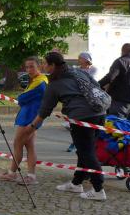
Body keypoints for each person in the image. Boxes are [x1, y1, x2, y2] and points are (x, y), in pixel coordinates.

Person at [25, 51, 108, 201]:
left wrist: (31, 127)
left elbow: (44, 110)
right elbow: (96, 85)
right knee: (84, 151)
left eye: (45, 63)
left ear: (52, 65)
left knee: (87, 153)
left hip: (82, 117)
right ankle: (76, 183)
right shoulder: (77, 72)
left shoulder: (54, 84)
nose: (43, 65)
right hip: (99, 113)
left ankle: (98, 190)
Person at [0, 56, 48, 185]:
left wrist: (21, 98)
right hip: (30, 117)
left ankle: (13, 173)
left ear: (39, 66)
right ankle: (30, 175)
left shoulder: (40, 82)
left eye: (32, 67)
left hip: (29, 118)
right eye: (27, 67)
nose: (29, 70)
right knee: (29, 146)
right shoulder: (37, 80)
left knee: (18, 144)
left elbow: (22, 98)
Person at [98, 43, 130, 123]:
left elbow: (110, 78)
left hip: (120, 104)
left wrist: (96, 85)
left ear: (123, 51)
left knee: (117, 128)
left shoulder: (120, 61)